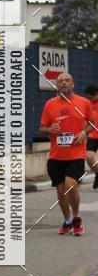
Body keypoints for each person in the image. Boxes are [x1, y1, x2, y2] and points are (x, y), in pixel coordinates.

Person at [39, 72, 93, 235]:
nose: (64, 83)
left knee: (71, 186)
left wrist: (84, 134)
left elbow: (92, 123)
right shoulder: (50, 104)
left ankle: (76, 218)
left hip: (76, 153)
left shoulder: (83, 103)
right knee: (61, 191)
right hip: (56, 156)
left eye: (67, 80)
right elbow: (41, 128)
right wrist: (49, 129)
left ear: (73, 84)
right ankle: (68, 220)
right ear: (57, 85)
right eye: (60, 81)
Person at [84, 84, 98, 190]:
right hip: (93, 135)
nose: (89, 100)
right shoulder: (87, 104)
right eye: (87, 97)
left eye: (91, 97)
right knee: (89, 157)